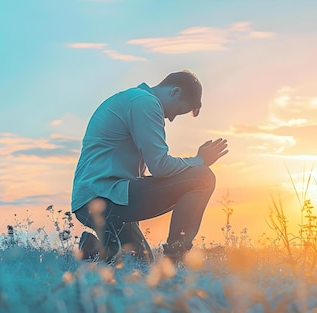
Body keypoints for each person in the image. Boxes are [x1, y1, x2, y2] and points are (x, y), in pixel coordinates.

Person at [71, 70, 228, 265]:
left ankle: (96, 250)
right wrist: (199, 160)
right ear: (174, 91)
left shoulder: (131, 99)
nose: (171, 118)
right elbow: (160, 167)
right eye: (178, 111)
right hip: (107, 196)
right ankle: (175, 259)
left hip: (92, 200)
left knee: (141, 265)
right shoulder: (145, 102)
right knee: (202, 178)